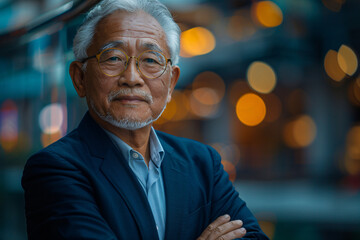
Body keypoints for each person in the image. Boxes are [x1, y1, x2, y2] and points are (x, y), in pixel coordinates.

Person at [22, 0, 269, 239]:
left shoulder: (203, 163)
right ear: (79, 78)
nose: (132, 77)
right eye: (113, 58)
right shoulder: (55, 169)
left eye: (150, 61)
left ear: (171, 83)